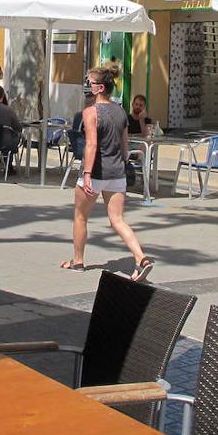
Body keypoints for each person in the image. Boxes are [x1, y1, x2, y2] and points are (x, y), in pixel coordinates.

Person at [61, 67, 153, 281]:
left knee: (80, 216)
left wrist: (86, 174)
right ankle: (141, 258)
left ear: (100, 88)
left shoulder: (91, 112)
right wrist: (121, 163)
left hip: (95, 172)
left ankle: (78, 261)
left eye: (90, 82)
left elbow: (92, 144)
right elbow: (124, 144)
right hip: (117, 173)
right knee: (118, 220)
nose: (87, 85)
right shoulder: (120, 110)